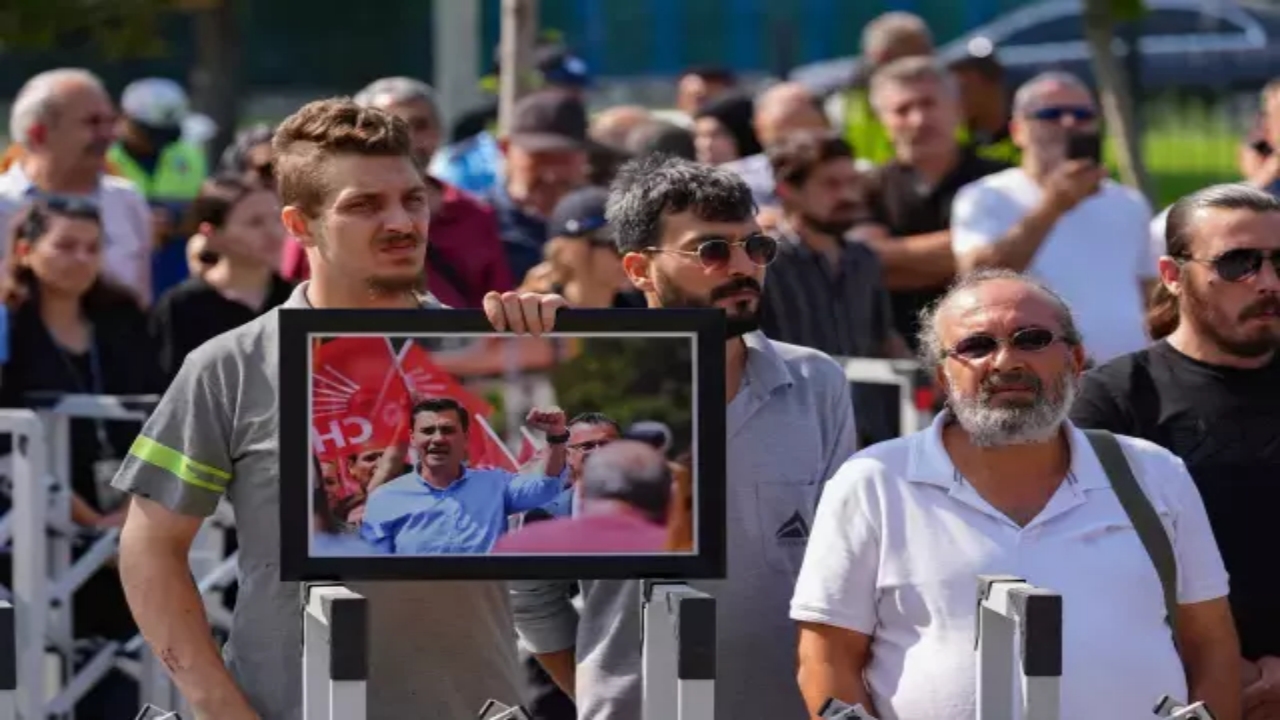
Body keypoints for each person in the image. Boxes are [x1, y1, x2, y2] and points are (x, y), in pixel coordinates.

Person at [112, 97, 568, 720]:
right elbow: (149, 548)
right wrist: (222, 710)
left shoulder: (494, 347)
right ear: (300, 225)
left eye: (412, 199)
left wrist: (568, 347)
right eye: (364, 206)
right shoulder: (233, 363)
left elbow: (581, 525)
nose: (402, 223)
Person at [791, 269, 1240, 720]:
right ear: (943, 378)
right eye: (976, 346)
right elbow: (827, 660)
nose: (1006, 362)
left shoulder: (1153, 472)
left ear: (1076, 359)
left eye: (1032, 339)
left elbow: (1212, 647)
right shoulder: (874, 481)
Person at [510, 154, 858, 719]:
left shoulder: (817, 381)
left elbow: (847, 571)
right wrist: (604, 697)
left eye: (756, 247)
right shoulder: (575, 390)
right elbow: (531, 592)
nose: (742, 266)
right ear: (639, 270)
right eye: (712, 251)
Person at [1070, 184, 1280, 714]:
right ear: (1171, 275)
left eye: (1279, 262)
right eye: (1238, 264)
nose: (1268, 282)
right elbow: (1085, 562)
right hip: (1170, 690)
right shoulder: (1113, 401)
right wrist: (1228, 673)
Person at [0, 198, 164, 720]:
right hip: (32, 520)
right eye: (65, 245)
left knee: (121, 665)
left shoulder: (120, 318)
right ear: (25, 251)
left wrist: (131, 511)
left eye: (92, 247)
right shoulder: (10, 327)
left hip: (125, 515)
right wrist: (83, 516)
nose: (80, 258)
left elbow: (159, 410)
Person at [951, 71, 1158, 366]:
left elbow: (1148, 292)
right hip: (1037, 379)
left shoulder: (1128, 201)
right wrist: (1053, 205)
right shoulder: (985, 196)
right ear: (1017, 131)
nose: (1069, 123)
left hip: (1126, 378)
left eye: (1082, 114)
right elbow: (977, 277)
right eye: (1051, 114)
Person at [858, 56, 1009, 348]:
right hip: (900, 354)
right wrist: (977, 253)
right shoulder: (867, 188)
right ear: (882, 121)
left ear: (957, 108)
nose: (919, 119)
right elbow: (864, 264)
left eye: (929, 104)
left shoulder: (1001, 181)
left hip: (995, 347)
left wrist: (899, 261)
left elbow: (1016, 260)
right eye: (902, 109)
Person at [0, 68, 153, 304]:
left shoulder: (127, 201)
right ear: (38, 134)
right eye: (92, 123)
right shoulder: (4, 204)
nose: (109, 135)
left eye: (110, 122)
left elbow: (141, 300)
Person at [359, 398, 567, 555]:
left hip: (484, 609)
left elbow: (546, 487)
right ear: (413, 438)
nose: (438, 439)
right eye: (428, 430)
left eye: (448, 430)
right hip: (416, 610)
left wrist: (556, 436)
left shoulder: (496, 484)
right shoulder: (385, 498)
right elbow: (373, 571)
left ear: (465, 437)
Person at [150, 175, 293, 380]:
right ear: (212, 233)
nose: (274, 233)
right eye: (255, 223)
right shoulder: (184, 306)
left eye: (277, 219)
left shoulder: (298, 300)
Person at [108, 77, 210, 299]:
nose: (156, 141)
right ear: (124, 118)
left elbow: (204, 206)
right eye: (148, 131)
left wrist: (178, 222)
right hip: (119, 268)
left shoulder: (189, 154)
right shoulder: (103, 158)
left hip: (177, 265)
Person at [494, 440, 671, 554]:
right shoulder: (676, 547)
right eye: (587, 447)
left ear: (584, 487)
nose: (597, 451)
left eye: (606, 444)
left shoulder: (518, 544)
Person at [519, 186, 645, 308]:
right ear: (567, 252)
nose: (631, 255)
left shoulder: (641, 315)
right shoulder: (536, 316)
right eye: (617, 244)